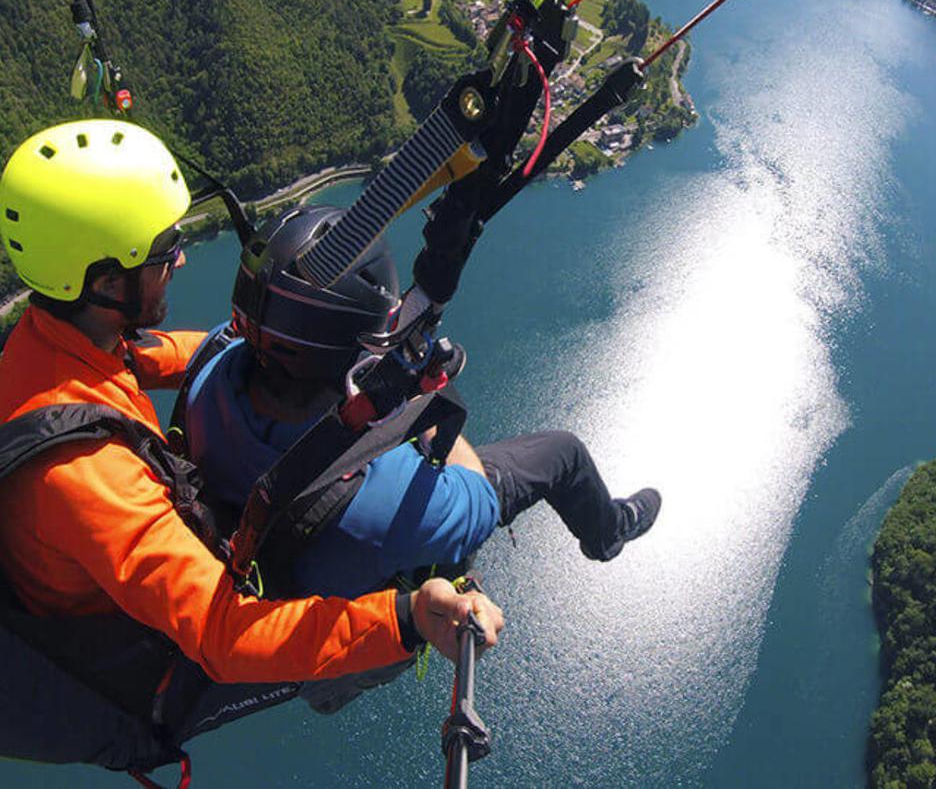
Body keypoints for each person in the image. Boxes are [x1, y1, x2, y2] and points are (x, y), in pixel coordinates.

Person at [0, 119, 503, 773]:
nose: (179, 258)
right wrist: (404, 620)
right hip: (144, 671)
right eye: (162, 249)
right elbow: (224, 637)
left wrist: (255, 338)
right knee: (362, 587)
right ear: (103, 283)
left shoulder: (42, 344)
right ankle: (336, 685)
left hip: (114, 580)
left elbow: (141, 360)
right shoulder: (85, 477)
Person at [185, 203, 661, 609]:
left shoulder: (210, 369)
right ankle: (608, 535)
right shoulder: (376, 500)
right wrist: (421, 403)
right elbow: (477, 499)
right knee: (564, 452)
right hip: (352, 560)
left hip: (261, 525)